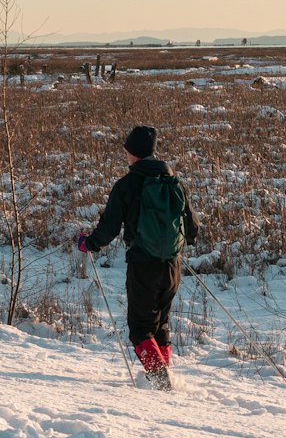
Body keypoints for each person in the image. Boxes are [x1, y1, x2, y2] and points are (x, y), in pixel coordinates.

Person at [77, 125, 198, 388]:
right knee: (160, 325)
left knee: (140, 328)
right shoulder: (174, 182)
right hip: (173, 266)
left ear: (133, 152)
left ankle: (161, 383)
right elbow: (192, 229)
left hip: (144, 265)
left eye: (127, 150)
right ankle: (164, 376)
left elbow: (109, 228)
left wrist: (89, 244)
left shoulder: (127, 185)